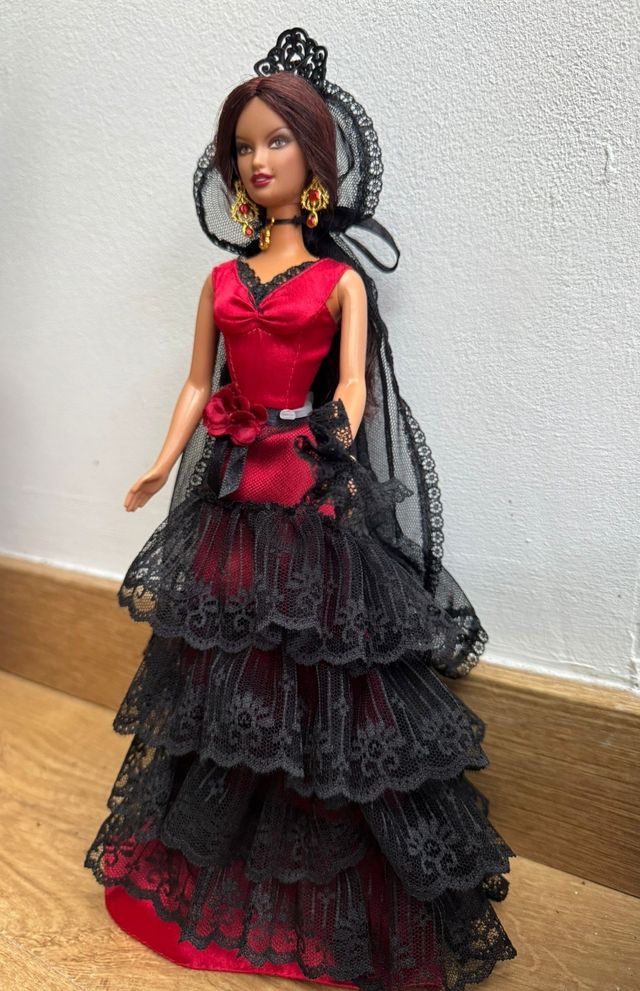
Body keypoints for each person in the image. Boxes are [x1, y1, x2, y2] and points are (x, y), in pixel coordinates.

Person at [84, 26, 517, 990]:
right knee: (225, 681)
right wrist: (160, 463)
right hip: (237, 494)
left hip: (307, 486)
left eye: (276, 141)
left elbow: (354, 384)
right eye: (243, 145)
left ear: (314, 157)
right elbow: (198, 384)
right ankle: (221, 855)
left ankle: (320, 884)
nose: (257, 160)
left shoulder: (340, 282)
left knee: (318, 677)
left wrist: (335, 435)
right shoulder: (220, 281)